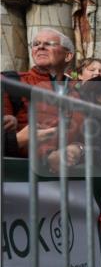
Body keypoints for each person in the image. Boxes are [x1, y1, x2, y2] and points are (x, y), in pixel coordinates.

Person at [1, 28, 83, 171]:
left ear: (68, 55)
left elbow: (95, 139)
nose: (40, 47)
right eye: (36, 43)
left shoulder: (80, 94)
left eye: (49, 43)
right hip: (18, 176)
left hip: (70, 181)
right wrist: (18, 139)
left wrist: (78, 149)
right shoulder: (9, 81)